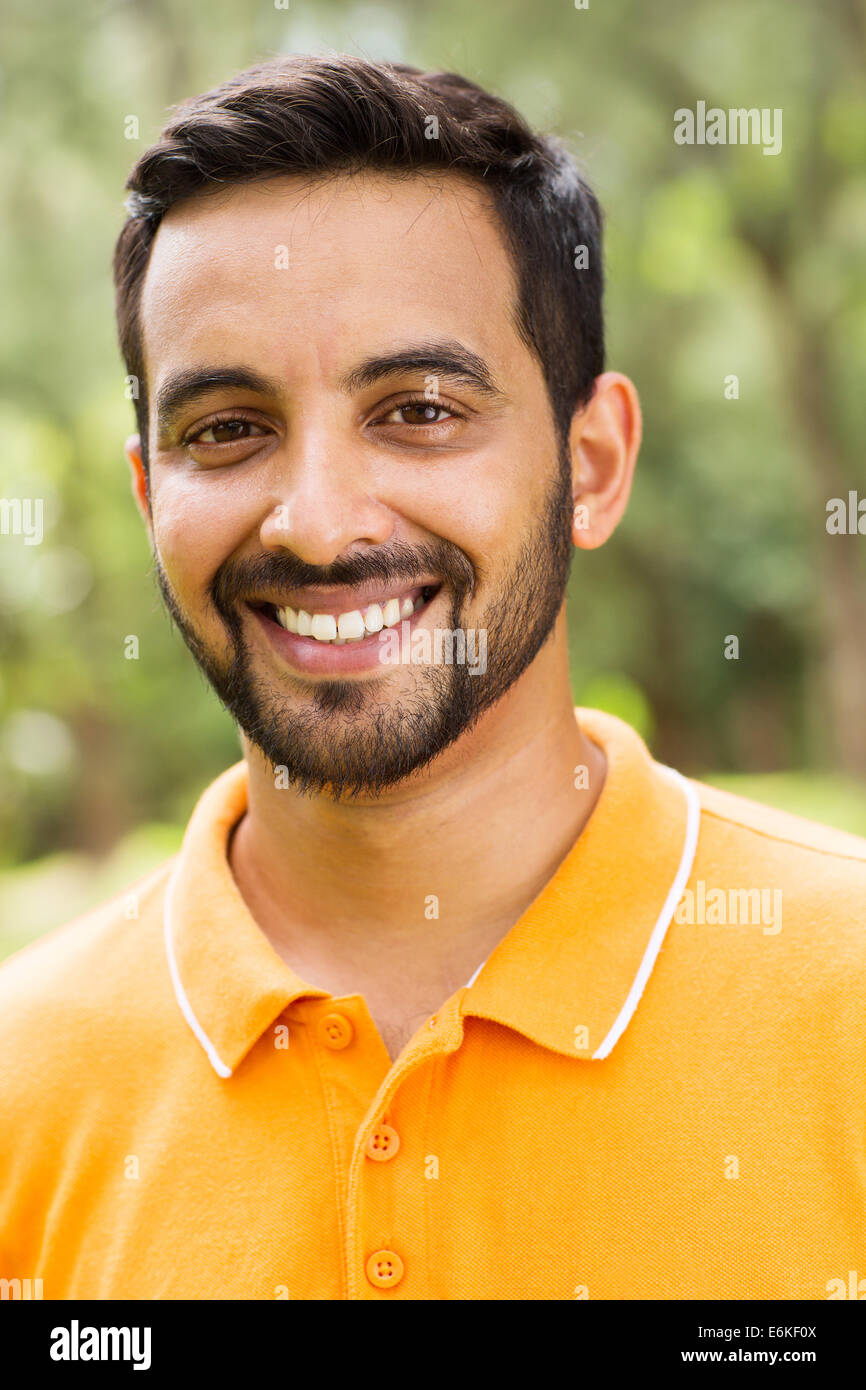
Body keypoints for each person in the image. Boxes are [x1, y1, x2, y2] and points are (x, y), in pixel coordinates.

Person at [1, 54, 864, 1302]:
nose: (315, 523)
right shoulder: (22, 1080)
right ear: (150, 495)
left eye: (415, 409)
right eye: (226, 429)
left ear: (593, 462)